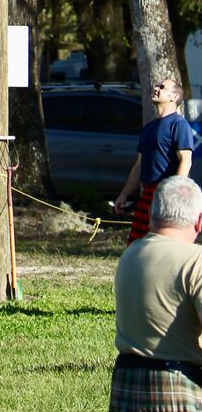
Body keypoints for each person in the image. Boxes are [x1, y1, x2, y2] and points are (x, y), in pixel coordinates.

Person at [110, 176, 202, 410]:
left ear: (152, 211)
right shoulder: (195, 261)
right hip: (177, 385)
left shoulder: (131, 254)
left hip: (125, 383)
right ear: (199, 221)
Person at [115, 78, 194, 243]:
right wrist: (124, 194)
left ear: (174, 96)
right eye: (157, 85)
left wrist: (174, 194)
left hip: (166, 193)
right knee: (137, 246)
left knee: (163, 245)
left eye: (162, 87)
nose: (156, 88)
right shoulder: (149, 128)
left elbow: (185, 161)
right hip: (148, 192)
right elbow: (139, 165)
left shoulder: (179, 125)